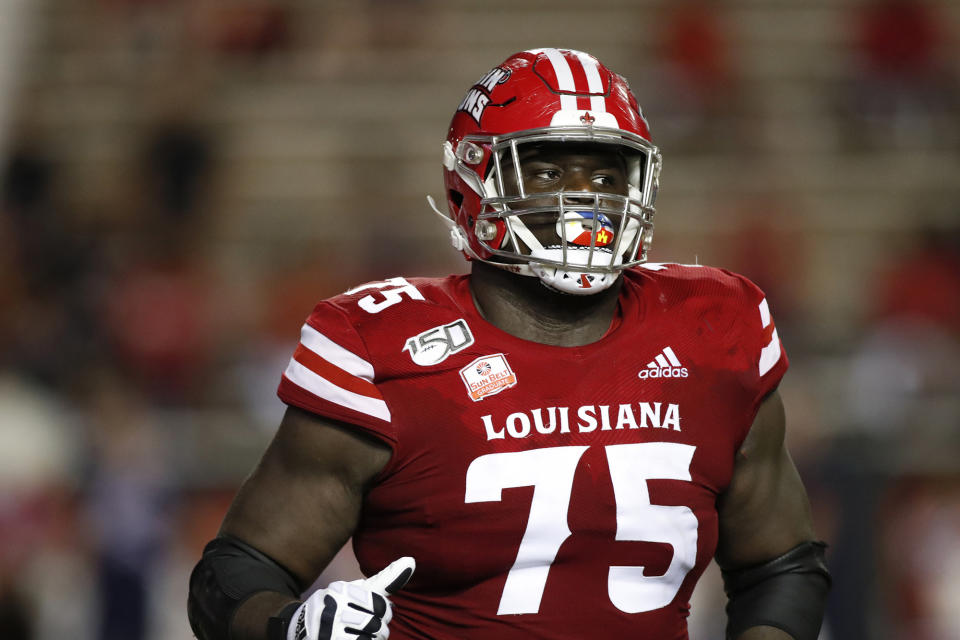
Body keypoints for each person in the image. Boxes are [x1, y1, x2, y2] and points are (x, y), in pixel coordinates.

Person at [188, 48, 830, 640]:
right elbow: (234, 575)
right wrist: (288, 627)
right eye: (548, 170)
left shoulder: (712, 327)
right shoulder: (382, 348)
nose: (585, 200)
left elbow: (782, 566)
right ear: (476, 179)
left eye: (607, 176)